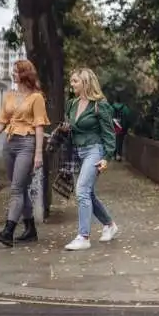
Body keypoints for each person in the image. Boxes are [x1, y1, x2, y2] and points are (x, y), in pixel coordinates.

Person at [0, 60, 50, 246]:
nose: (13, 74)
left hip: (27, 143)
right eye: (13, 72)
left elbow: (40, 126)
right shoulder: (9, 96)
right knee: (20, 187)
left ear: (25, 74)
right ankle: (30, 229)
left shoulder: (37, 97)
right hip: (10, 144)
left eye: (16, 72)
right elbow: (1, 122)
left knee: (16, 189)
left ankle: (8, 231)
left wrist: (38, 154)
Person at [63, 68, 118, 251]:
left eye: (75, 81)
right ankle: (110, 225)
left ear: (85, 82)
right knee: (88, 193)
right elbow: (71, 127)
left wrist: (106, 157)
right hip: (78, 152)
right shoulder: (72, 104)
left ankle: (83, 236)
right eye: (71, 81)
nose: (72, 85)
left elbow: (109, 133)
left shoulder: (99, 104)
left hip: (95, 150)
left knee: (81, 190)